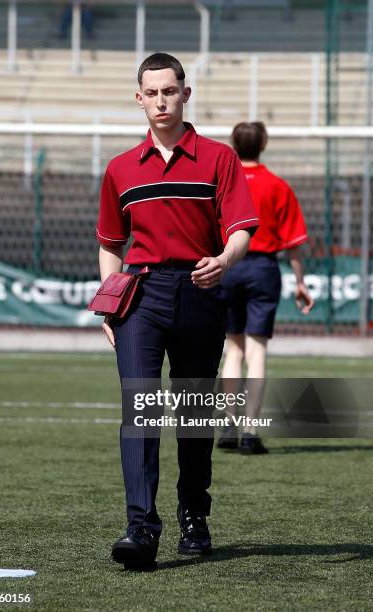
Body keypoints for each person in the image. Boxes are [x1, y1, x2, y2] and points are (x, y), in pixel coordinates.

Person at [96, 53, 259, 569]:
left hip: (200, 290)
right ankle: (140, 528)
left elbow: (241, 231)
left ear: (186, 93)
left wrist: (226, 260)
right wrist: (110, 298)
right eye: (152, 92)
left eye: (171, 90)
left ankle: (194, 515)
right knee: (139, 409)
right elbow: (109, 244)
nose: (161, 100)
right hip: (140, 298)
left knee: (192, 411)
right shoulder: (120, 168)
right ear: (138, 98)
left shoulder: (219, 159)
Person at [217, 121, 314, 454]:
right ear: (264, 144)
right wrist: (300, 282)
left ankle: (229, 425)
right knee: (256, 351)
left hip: (226, 266)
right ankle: (249, 432)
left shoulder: (222, 183)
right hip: (262, 269)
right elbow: (294, 244)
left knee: (233, 350)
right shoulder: (277, 185)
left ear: (232, 143)